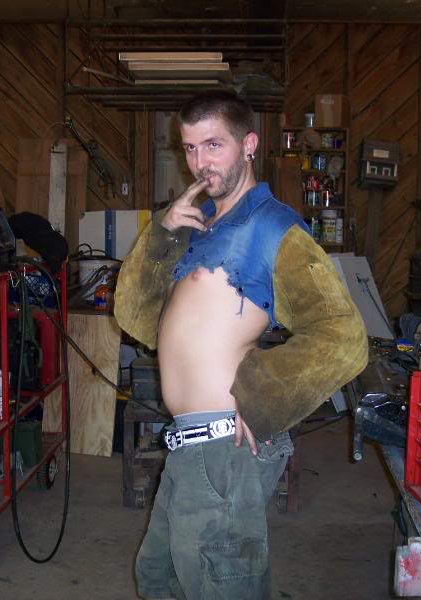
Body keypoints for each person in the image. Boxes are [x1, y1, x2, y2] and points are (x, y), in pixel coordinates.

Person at [114, 90, 368, 600]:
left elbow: (343, 335)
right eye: (190, 148)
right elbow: (137, 317)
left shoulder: (274, 228)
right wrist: (162, 234)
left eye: (214, 145)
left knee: (221, 586)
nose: (200, 163)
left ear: (249, 144)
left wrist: (263, 398)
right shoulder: (200, 228)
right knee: (160, 577)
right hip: (188, 446)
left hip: (225, 448)